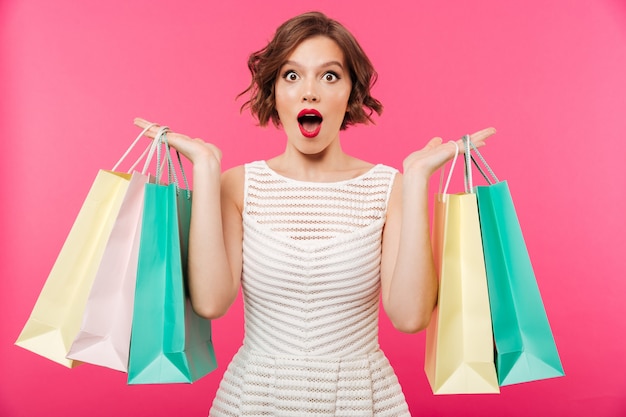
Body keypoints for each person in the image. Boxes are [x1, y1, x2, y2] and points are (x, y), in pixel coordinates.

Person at [137, 11, 495, 416]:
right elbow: (211, 303)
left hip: (365, 400)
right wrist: (204, 169)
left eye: (329, 76)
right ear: (273, 92)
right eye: (292, 76)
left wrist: (415, 180)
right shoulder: (236, 186)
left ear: (351, 93)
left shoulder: (389, 187)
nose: (310, 92)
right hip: (255, 399)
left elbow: (410, 317)